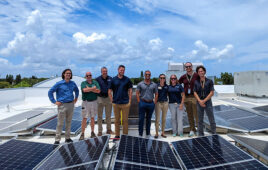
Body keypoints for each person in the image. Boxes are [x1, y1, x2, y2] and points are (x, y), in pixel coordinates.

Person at [48, 69, 79, 144]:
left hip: (71, 104)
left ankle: (67, 138)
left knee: (69, 122)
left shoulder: (72, 83)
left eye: (70, 73)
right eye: (67, 73)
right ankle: (57, 139)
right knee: (60, 123)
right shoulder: (59, 84)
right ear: (64, 74)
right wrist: (54, 101)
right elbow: (50, 92)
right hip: (62, 105)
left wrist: (76, 98)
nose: (68, 74)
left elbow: (77, 90)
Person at [108, 65, 133, 140]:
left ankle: (125, 135)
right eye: (121, 70)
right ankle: (117, 135)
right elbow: (109, 91)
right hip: (116, 103)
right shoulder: (113, 80)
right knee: (116, 121)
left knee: (125, 120)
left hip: (125, 103)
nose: (122, 71)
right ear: (118, 70)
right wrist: (111, 100)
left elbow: (130, 90)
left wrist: (130, 100)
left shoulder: (127, 79)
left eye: (123, 70)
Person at [193, 65, 216, 137]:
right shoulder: (196, 82)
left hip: (208, 102)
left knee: (211, 119)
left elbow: (212, 92)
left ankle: (214, 133)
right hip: (199, 102)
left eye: (202, 71)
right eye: (199, 71)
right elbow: (194, 92)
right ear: (198, 73)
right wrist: (200, 101)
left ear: (204, 72)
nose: (201, 72)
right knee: (200, 120)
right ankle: (200, 134)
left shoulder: (209, 81)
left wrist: (204, 101)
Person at [179, 62, 199, 137]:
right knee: (189, 115)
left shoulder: (197, 75)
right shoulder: (183, 76)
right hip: (186, 97)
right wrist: (181, 92)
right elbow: (178, 84)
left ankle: (199, 129)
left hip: (194, 96)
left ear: (192, 67)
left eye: (189, 66)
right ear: (185, 68)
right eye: (186, 67)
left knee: (196, 114)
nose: (188, 68)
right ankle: (192, 129)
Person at [136, 70, 158, 138]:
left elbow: (156, 94)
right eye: (146, 74)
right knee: (141, 119)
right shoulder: (140, 84)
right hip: (142, 102)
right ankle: (140, 134)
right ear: (144, 75)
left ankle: (148, 134)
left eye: (149, 74)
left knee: (149, 119)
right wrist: (139, 101)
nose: (147, 75)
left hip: (151, 103)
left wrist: (154, 102)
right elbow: (137, 93)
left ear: (150, 75)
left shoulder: (154, 84)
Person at [79, 72, 100, 140]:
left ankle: (92, 132)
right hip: (86, 102)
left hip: (94, 102)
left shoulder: (95, 82)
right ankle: (82, 133)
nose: (89, 76)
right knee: (84, 118)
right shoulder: (83, 83)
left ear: (91, 76)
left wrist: (89, 89)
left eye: (90, 75)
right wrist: (93, 88)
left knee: (93, 118)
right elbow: (84, 90)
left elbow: (98, 91)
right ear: (85, 77)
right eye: (87, 75)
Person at [96, 67, 113, 136]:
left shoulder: (110, 79)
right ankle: (100, 131)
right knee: (99, 116)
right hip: (100, 98)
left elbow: (113, 87)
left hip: (108, 98)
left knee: (108, 116)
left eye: (106, 71)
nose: (105, 72)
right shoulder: (97, 79)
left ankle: (109, 130)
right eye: (103, 71)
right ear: (101, 72)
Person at [154, 74, 168, 138]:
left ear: (165, 79)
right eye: (161, 78)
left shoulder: (167, 86)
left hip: (165, 103)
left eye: (163, 78)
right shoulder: (156, 86)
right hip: (158, 103)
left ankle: (163, 132)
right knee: (157, 119)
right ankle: (156, 133)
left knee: (164, 119)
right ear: (159, 78)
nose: (162, 79)